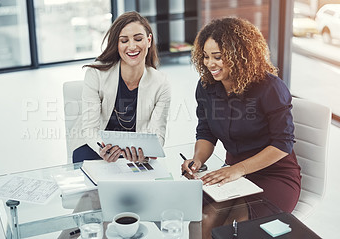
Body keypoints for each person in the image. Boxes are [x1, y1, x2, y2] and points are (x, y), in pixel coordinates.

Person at [181, 17, 301, 238]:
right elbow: (206, 131)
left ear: (240, 56)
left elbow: (283, 144)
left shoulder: (270, 88)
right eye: (206, 56)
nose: (209, 64)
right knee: (202, 219)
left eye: (218, 57)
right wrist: (198, 160)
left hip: (274, 174)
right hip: (231, 173)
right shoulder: (207, 86)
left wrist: (237, 169)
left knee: (238, 226)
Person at [71, 11, 171, 164]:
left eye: (138, 39)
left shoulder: (161, 83)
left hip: (135, 152)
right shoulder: (96, 74)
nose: (132, 46)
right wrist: (102, 148)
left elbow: (158, 135)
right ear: (117, 44)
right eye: (124, 41)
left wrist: (146, 153)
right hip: (95, 148)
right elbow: (90, 128)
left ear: (149, 40)